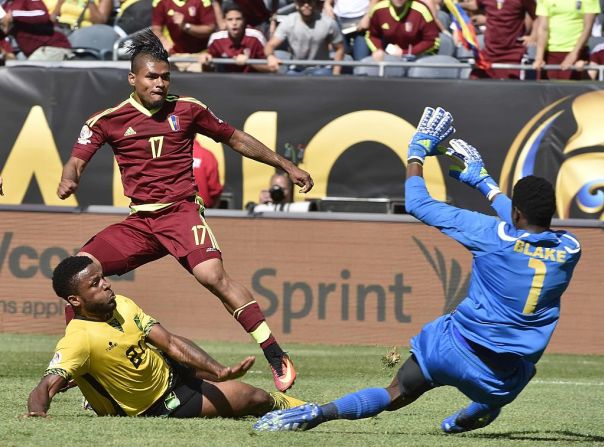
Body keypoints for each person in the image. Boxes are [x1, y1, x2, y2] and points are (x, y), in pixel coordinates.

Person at [254, 106, 582, 433]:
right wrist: (486, 185)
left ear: (517, 213)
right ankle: (480, 409)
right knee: (526, 367)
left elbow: (418, 204)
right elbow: (526, 225)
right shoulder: (570, 249)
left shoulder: (489, 235)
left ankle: (319, 413)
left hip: (449, 348)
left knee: (395, 392)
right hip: (497, 379)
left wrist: (418, 152)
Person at [56, 29, 313, 393]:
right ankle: (81, 364)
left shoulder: (189, 109)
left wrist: (287, 165)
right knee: (79, 270)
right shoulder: (108, 119)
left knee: (214, 278)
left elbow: (236, 138)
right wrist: (70, 178)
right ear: (133, 79)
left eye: (165, 77)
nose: (159, 83)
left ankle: (276, 355)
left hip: (181, 214)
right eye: (151, 77)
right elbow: (76, 160)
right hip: (141, 222)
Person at [25, 256, 306, 418]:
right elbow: (46, 387)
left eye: (103, 278)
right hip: (159, 405)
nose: (107, 285)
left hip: (172, 372)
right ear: (75, 300)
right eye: (95, 284)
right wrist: (37, 414)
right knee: (253, 397)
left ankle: (304, 408)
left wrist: (217, 370)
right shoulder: (78, 339)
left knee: (238, 388)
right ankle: (299, 411)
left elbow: (170, 342)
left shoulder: (122, 304)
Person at [264, 0, 345, 75]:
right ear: (296, 4)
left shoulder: (328, 23)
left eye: (309, 1)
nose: (306, 5)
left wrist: (336, 72)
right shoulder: (288, 22)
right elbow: (270, 45)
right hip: (296, 69)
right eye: (302, 2)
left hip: (321, 69)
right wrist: (270, 56)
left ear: (314, 3)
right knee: (288, 82)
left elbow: (340, 48)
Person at [462, 0, 537, 79]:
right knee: (474, 82)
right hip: (489, 53)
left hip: (513, 55)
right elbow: (475, 5)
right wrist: (456, 5)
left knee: (510, 88)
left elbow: (537, 15)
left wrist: (533, 36)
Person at [533, 0, 600, 80]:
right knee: (547, 91)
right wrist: (539, 57)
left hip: (577, 53)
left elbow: (588, 27)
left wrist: (574, 54)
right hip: (550, 54)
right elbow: (543, 28)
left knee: (576, 90)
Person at [200, 4, 273, 73]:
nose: (234, 23)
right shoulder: (216, 39)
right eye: (230, 19)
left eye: (238, 19)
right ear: (224, 22)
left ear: (244, 21)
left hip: (252, 82)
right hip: (225, 82)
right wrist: (205, 62)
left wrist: (250, 62)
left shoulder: (256, 37)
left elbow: (271, 68)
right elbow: (207, 71)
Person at [365, 0, 440, 61]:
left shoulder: (421, 10)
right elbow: (372, 35)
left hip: (418, 58)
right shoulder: (379, 10)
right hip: (389, 57)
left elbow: (433, 40)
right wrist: (378, 50)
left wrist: (405, 53)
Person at [1, 0, 72, 60]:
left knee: (26, 74)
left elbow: (42, 14)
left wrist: (14, 14)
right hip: (33, 53)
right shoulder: (5, 5)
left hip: (52, 47)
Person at [152, 0, 216, 62]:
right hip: (174, 54)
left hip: (199, 55)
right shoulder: (160, 2)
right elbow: (156, 28)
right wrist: (163, 41)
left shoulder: (203, 1)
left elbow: (209, 29)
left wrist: (185, 26)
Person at [192, 140, 223, 209]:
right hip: (201, 210)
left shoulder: (168, 154)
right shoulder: (207, 155)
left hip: (173, 212)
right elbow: (215, 189)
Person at [45, 0, 113, 30]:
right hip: (61, 29)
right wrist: (59, 4)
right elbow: (52, 19)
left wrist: (90, 2)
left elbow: (100, 21)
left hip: (85, 33)